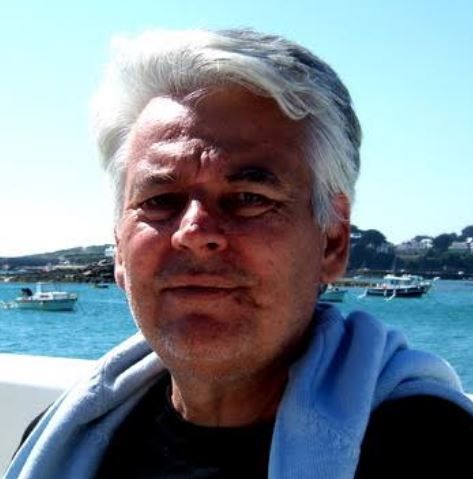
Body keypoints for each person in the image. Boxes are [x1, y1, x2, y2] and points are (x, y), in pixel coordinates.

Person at [6, 28, 473, 479]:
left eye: (249, 198)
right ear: (120, 252)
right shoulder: (54, 442)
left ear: (332, 241)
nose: (193, 232)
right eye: (160, 200)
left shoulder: (431, 450)